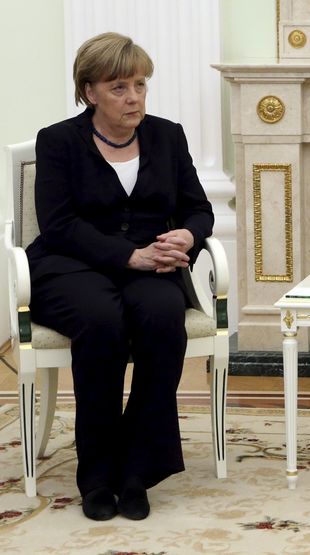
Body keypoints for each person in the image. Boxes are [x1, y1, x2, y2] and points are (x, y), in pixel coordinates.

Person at [26, 32, 214, 521]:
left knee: (161, 313)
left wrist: (187, 239)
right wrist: (129, 256)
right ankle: (97, 474)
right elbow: (59, 225)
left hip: (152, 263)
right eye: (118, 87)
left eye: (140, 85)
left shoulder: (167, 135)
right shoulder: (58, 141)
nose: (134, 98)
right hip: (71, 264)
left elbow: (198, 209)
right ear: (89, 91)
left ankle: (137, 468)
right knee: (101, 319)